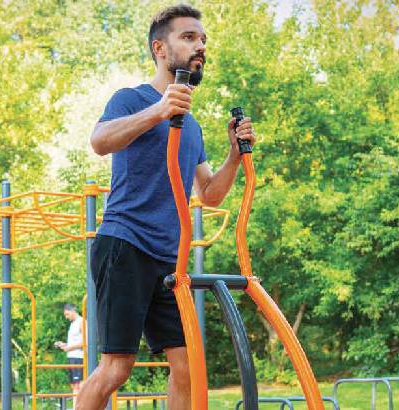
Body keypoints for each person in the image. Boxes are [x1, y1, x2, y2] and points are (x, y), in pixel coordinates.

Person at [77, 4, 256, 410]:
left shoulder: (191, 126)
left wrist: (233, 155)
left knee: (187, 368)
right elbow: (99, 141)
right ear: (160, 48)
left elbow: (209, 194)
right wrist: (159, 111)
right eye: (189, 37)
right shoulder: (131, 99)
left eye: (203, 39)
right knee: (116, 369)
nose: (200, 46)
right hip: (125, 245)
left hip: (168, 260)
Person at [55, 303, 84, 409]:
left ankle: (79, 407)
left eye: (67, 314)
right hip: (72, 357)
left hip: (79, 357)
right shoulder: (72, 324)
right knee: (74, 385)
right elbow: (74, 343)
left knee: (79, 385)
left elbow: (86, 343)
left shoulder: (82, 322)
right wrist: (64, 345)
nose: (66, 317)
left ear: (73, 311)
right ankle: (76, 407)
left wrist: (69, 348)